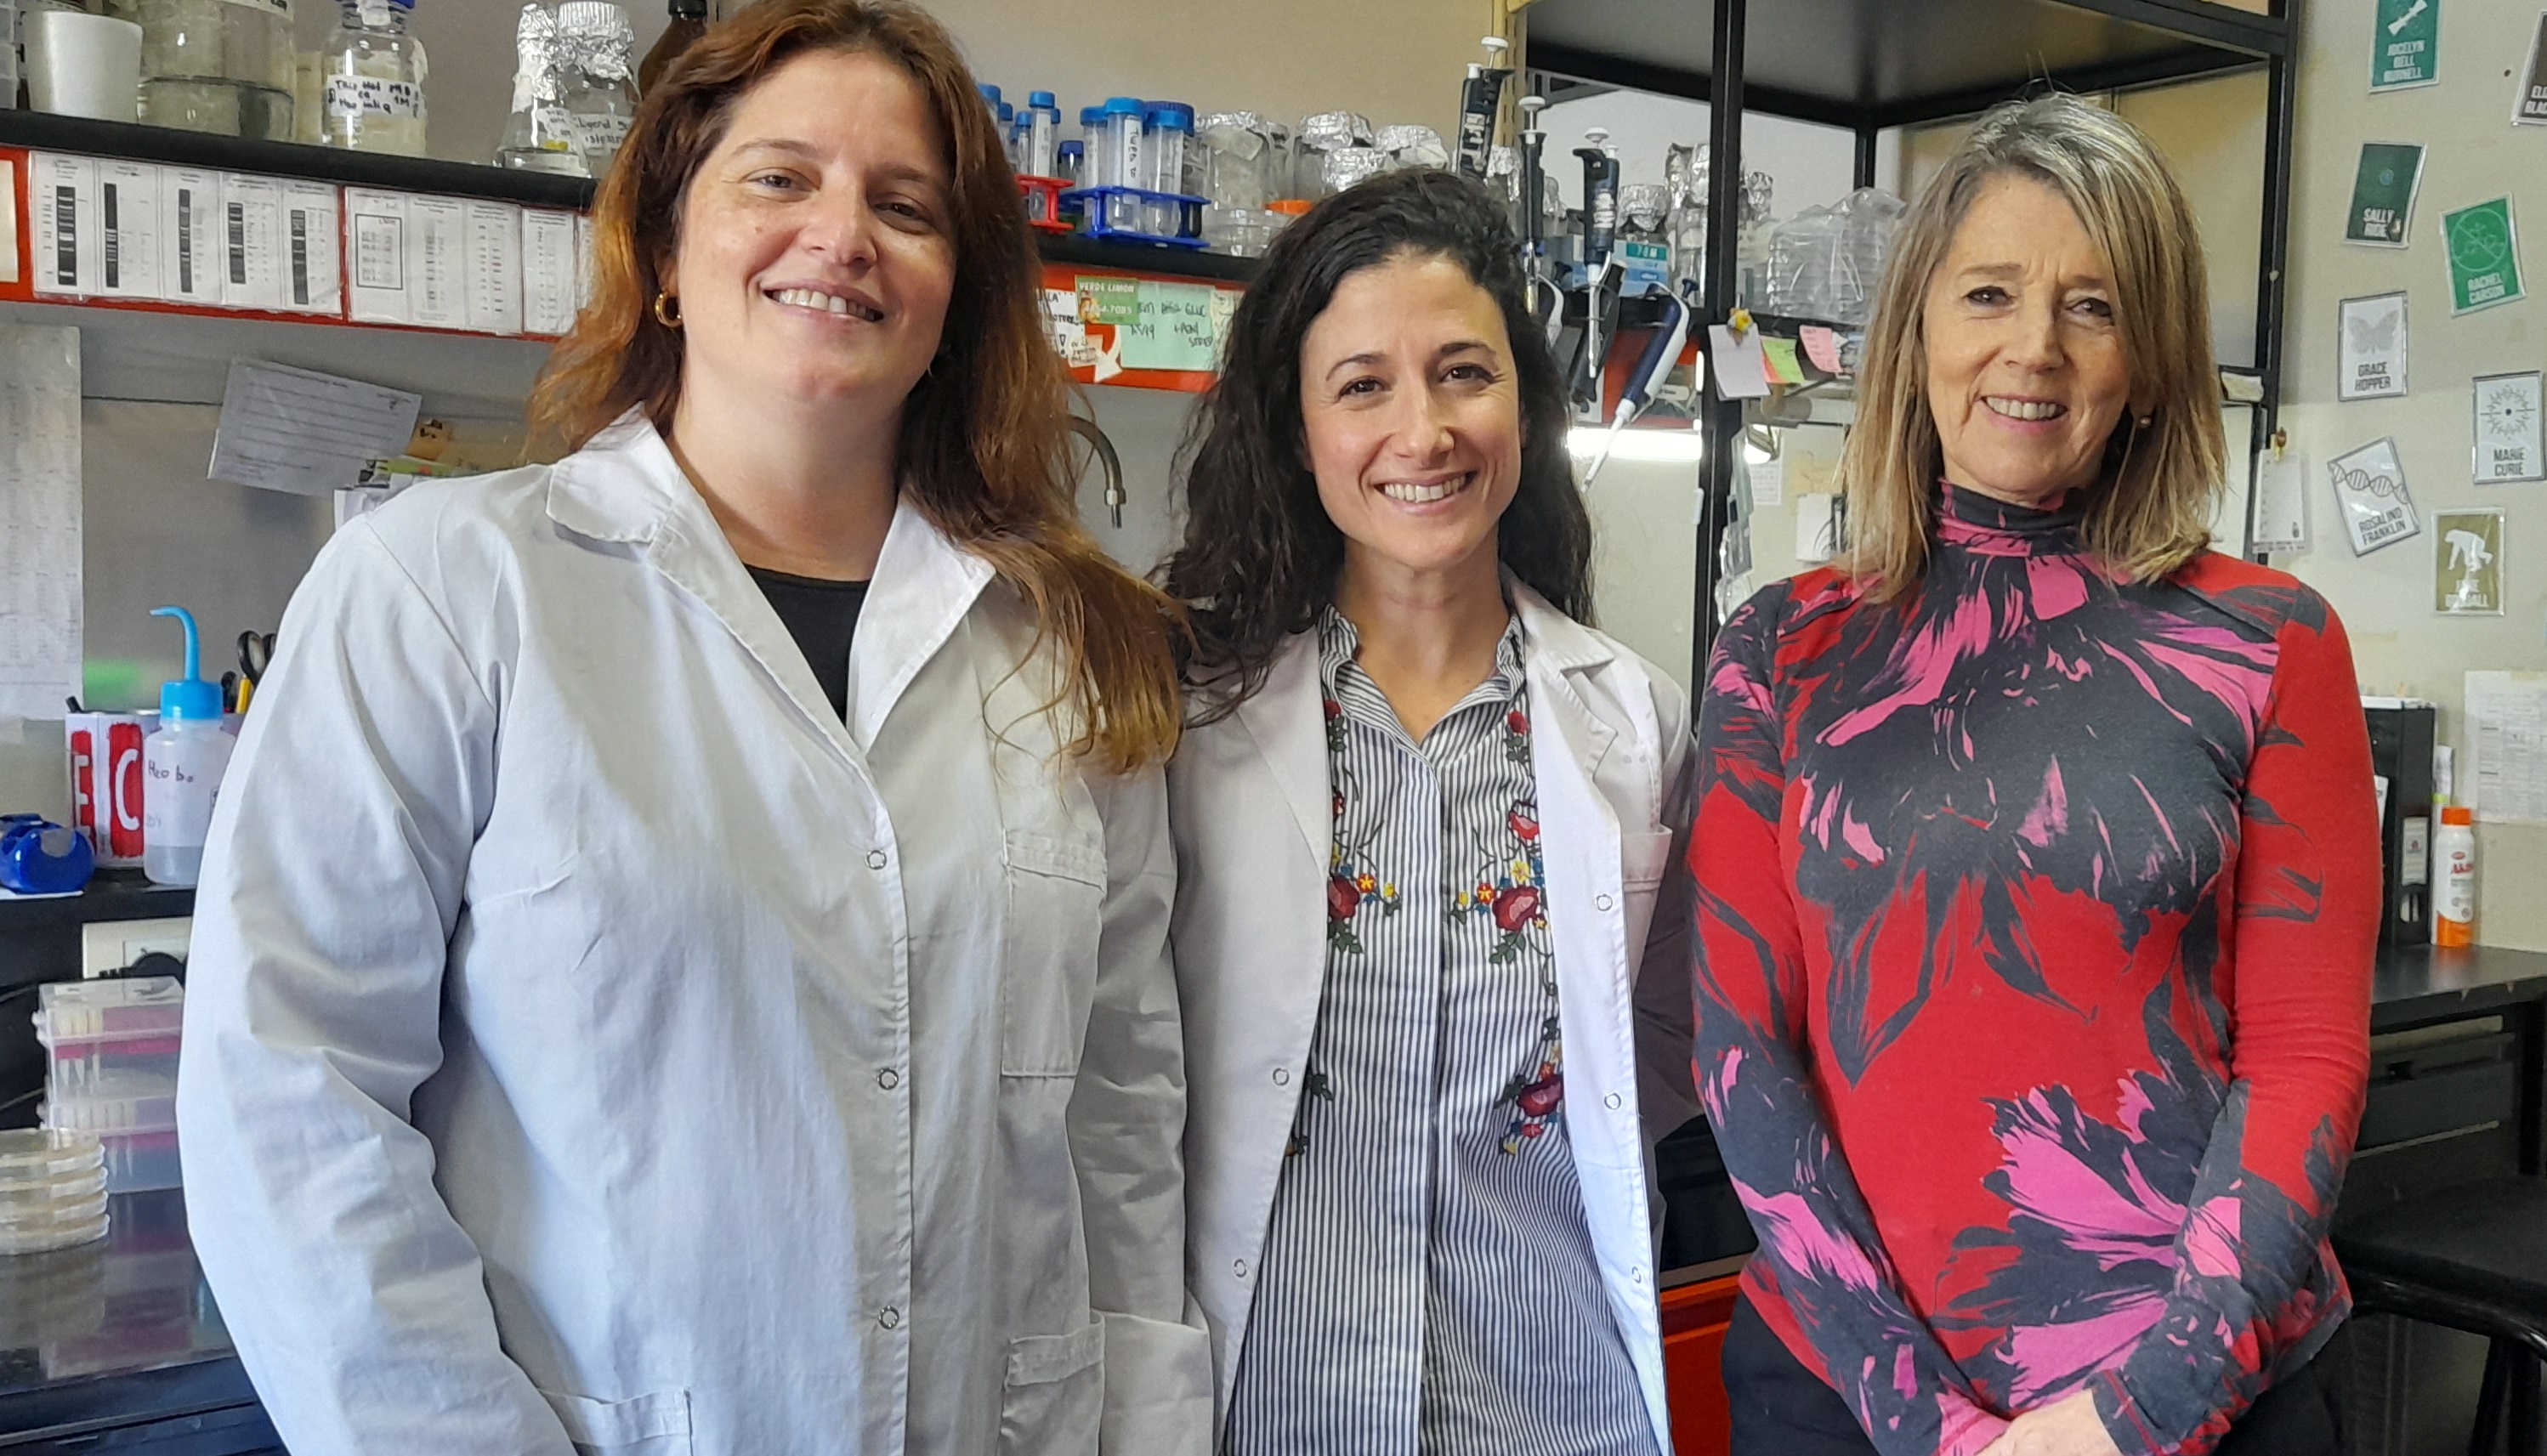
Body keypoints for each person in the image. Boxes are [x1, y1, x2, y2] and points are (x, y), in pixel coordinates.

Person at [174, 3, 1211, 1452]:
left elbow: (1119, 1117)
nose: (841, 235)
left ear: (956, 294)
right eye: (779, 177)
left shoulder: (1069, 651)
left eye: (906, 206)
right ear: (665, 252)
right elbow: (289, 1098)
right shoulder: (445, 588)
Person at [1691, 94, 2378, 1456]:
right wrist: (1929, 1423)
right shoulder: (1778, 648)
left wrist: (2143, 1410)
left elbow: (2304, 1055)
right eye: (1989, 293)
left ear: (2151, 361)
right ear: (1918, 333)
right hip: (1843, 1396)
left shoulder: (2272, 641)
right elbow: (1739, 1048)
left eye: (2092, 306)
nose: (2034, 348)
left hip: (2205, 1395)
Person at [1163, 167, 1702, 1456]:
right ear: (1297, 429)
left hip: (1556, 1403)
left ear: (1524, 402)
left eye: (1464, 373)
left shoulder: (1635, 721)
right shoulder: (1188, 721)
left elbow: (1671, 1044)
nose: (1425, 431)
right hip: (1271, 1403)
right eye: (1363, 386)